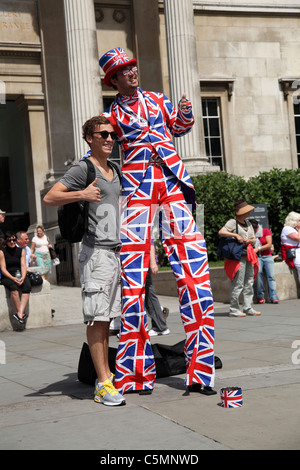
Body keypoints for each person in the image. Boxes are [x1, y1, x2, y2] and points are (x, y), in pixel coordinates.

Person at [99, 47, 216, 396]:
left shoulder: (157, 100)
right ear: (114, 79)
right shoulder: (111, 116)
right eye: (124, 70)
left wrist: (185, 111)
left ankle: (201, 373)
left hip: (173, 184)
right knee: (132, 281)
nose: (132, 72)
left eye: (133, 66)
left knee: (195, 277)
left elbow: (180, 128)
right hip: (136, 190)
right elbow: (101, 148)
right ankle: (135, 376)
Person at [43, 115, 126, 407]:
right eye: (102, 134)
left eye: (112, 134)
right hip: (96, 254)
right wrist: (82, 193)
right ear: (89, 138)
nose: (109, 138)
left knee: (107, 321)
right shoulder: (84, 167)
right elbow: (51, 197)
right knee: (97, 319)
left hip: (115, 253)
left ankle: (105, 378)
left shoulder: (115, 169)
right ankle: (103, 383)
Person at [219, 199, 261, 317]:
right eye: (246, 211)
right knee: (238, 283)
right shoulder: (232, 222)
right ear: (241, 212)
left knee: (249, 281)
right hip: (238, 256)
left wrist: (250, 240)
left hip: (248, 254)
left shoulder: (248, 224)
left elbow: (254, 239)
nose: (249, 213)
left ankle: (247, 307)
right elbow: (221, 232)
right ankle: (234, 309)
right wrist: (236, 235)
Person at [0, 231, 31, 325]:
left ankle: (20, 314)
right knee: (14, 289)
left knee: (27, 286)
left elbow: (23, 266)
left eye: (13, 240)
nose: (12, 242)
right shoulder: (2, 252)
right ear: (6, 241)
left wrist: (23, 277)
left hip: (19, 274)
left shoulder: (21, 251)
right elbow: (3, 269)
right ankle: (21, 314)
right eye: (9, 240)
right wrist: (13, 278)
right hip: (8, 275)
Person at [249, 219, 279, 304]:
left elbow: (269, 244)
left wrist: (258, 248)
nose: (254, 231)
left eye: (255, 229)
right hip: (257, 257)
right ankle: (260, 296)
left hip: (267, 256)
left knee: (271, 276)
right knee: (258, 274)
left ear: (258, 226)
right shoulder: (250, 234)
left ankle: (273, 297)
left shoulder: (265, 231)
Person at [146, 242, 170, 336]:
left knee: (148, 293)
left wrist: (152, 263)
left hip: (143, 260)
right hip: (139, 259)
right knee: (147, 293)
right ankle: (159, 322)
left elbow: (149, 241)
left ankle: (160, 326)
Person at [280, 211, 300, 284]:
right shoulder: (287, 228)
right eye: (299, 220)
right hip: (294, 252)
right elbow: (298, 238)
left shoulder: (295, 229)